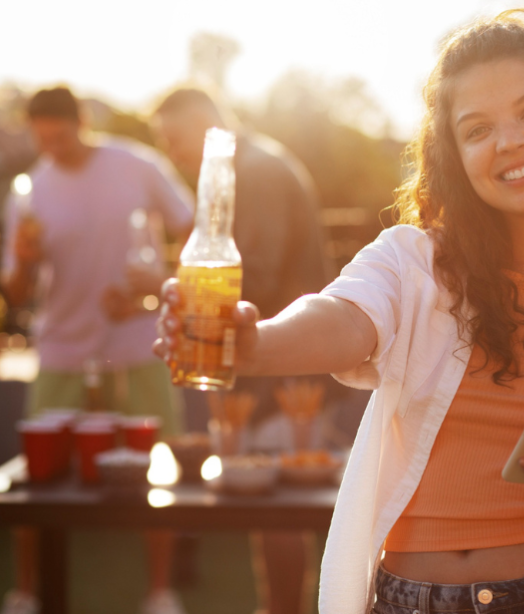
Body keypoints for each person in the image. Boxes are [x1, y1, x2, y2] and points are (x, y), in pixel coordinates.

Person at [155, 11, 524, 614]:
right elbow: (345, 318)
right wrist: (255, 344)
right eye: (477, 129)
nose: (508, 141)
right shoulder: (414, 262)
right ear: (454, 155)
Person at [0, 86, 194, 614]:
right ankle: (26, 591)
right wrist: (21, 260)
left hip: (138, 343)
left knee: (159, 468)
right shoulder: (30, 191)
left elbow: (196, 232)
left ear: (81, 122)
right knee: (36, 477)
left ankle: (160, 591)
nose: (53, 149)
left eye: (60, 137)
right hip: (62, 348)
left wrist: (154, 287)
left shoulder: (136, 165)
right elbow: (14, 293)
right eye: (42, 141)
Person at [151, 87, 333, 614]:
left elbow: (257, 273)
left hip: (286, 370)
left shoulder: (257, 171)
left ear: (206, 124)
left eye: (176, 139)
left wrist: (175, 289)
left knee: (278, 508)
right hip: (272, 366)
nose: (172, 154)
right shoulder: (246, 169)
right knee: (268, 508)